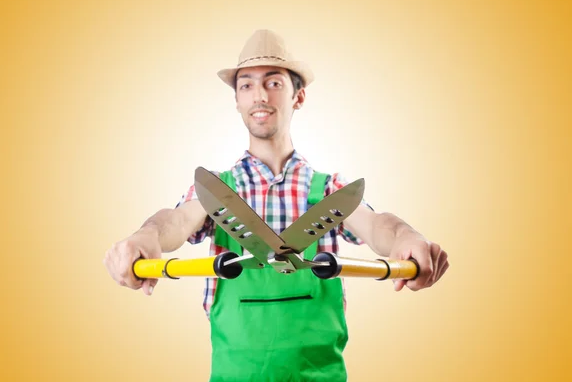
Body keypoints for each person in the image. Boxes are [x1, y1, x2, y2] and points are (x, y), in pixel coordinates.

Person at [103, 29, 449, 382]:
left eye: (274, 83)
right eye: (247, 85)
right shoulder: (217, 191)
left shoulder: (330, 192)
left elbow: (377, 226)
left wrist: (406, 237)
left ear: (298, 97)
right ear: (236, 100)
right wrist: (146, 236)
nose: (260, 96)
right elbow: (175, 221)